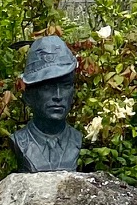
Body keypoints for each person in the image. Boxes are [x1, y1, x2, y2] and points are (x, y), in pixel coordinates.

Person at [11, 35, 83, 173]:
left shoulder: (77, 140)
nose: (58, 96)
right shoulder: (20, 141)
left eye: (65, 86)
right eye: (47, 87)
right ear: (28, 96)